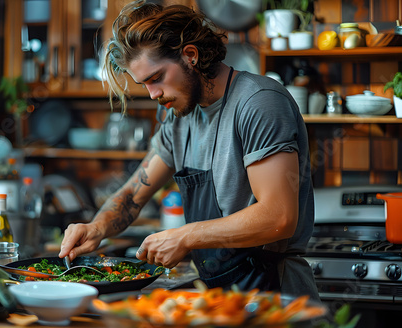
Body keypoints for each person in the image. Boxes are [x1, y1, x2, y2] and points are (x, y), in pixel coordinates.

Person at [59, 0, 319, 300]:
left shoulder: (258, 102)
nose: (153, 94)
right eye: (144, 84)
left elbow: (278, 218)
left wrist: (185, 236)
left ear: (190, 56)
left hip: (275, 294)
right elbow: (133, 194)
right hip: (220, 296)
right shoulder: (179, 117)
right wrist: (96, 228)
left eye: (156, 78)